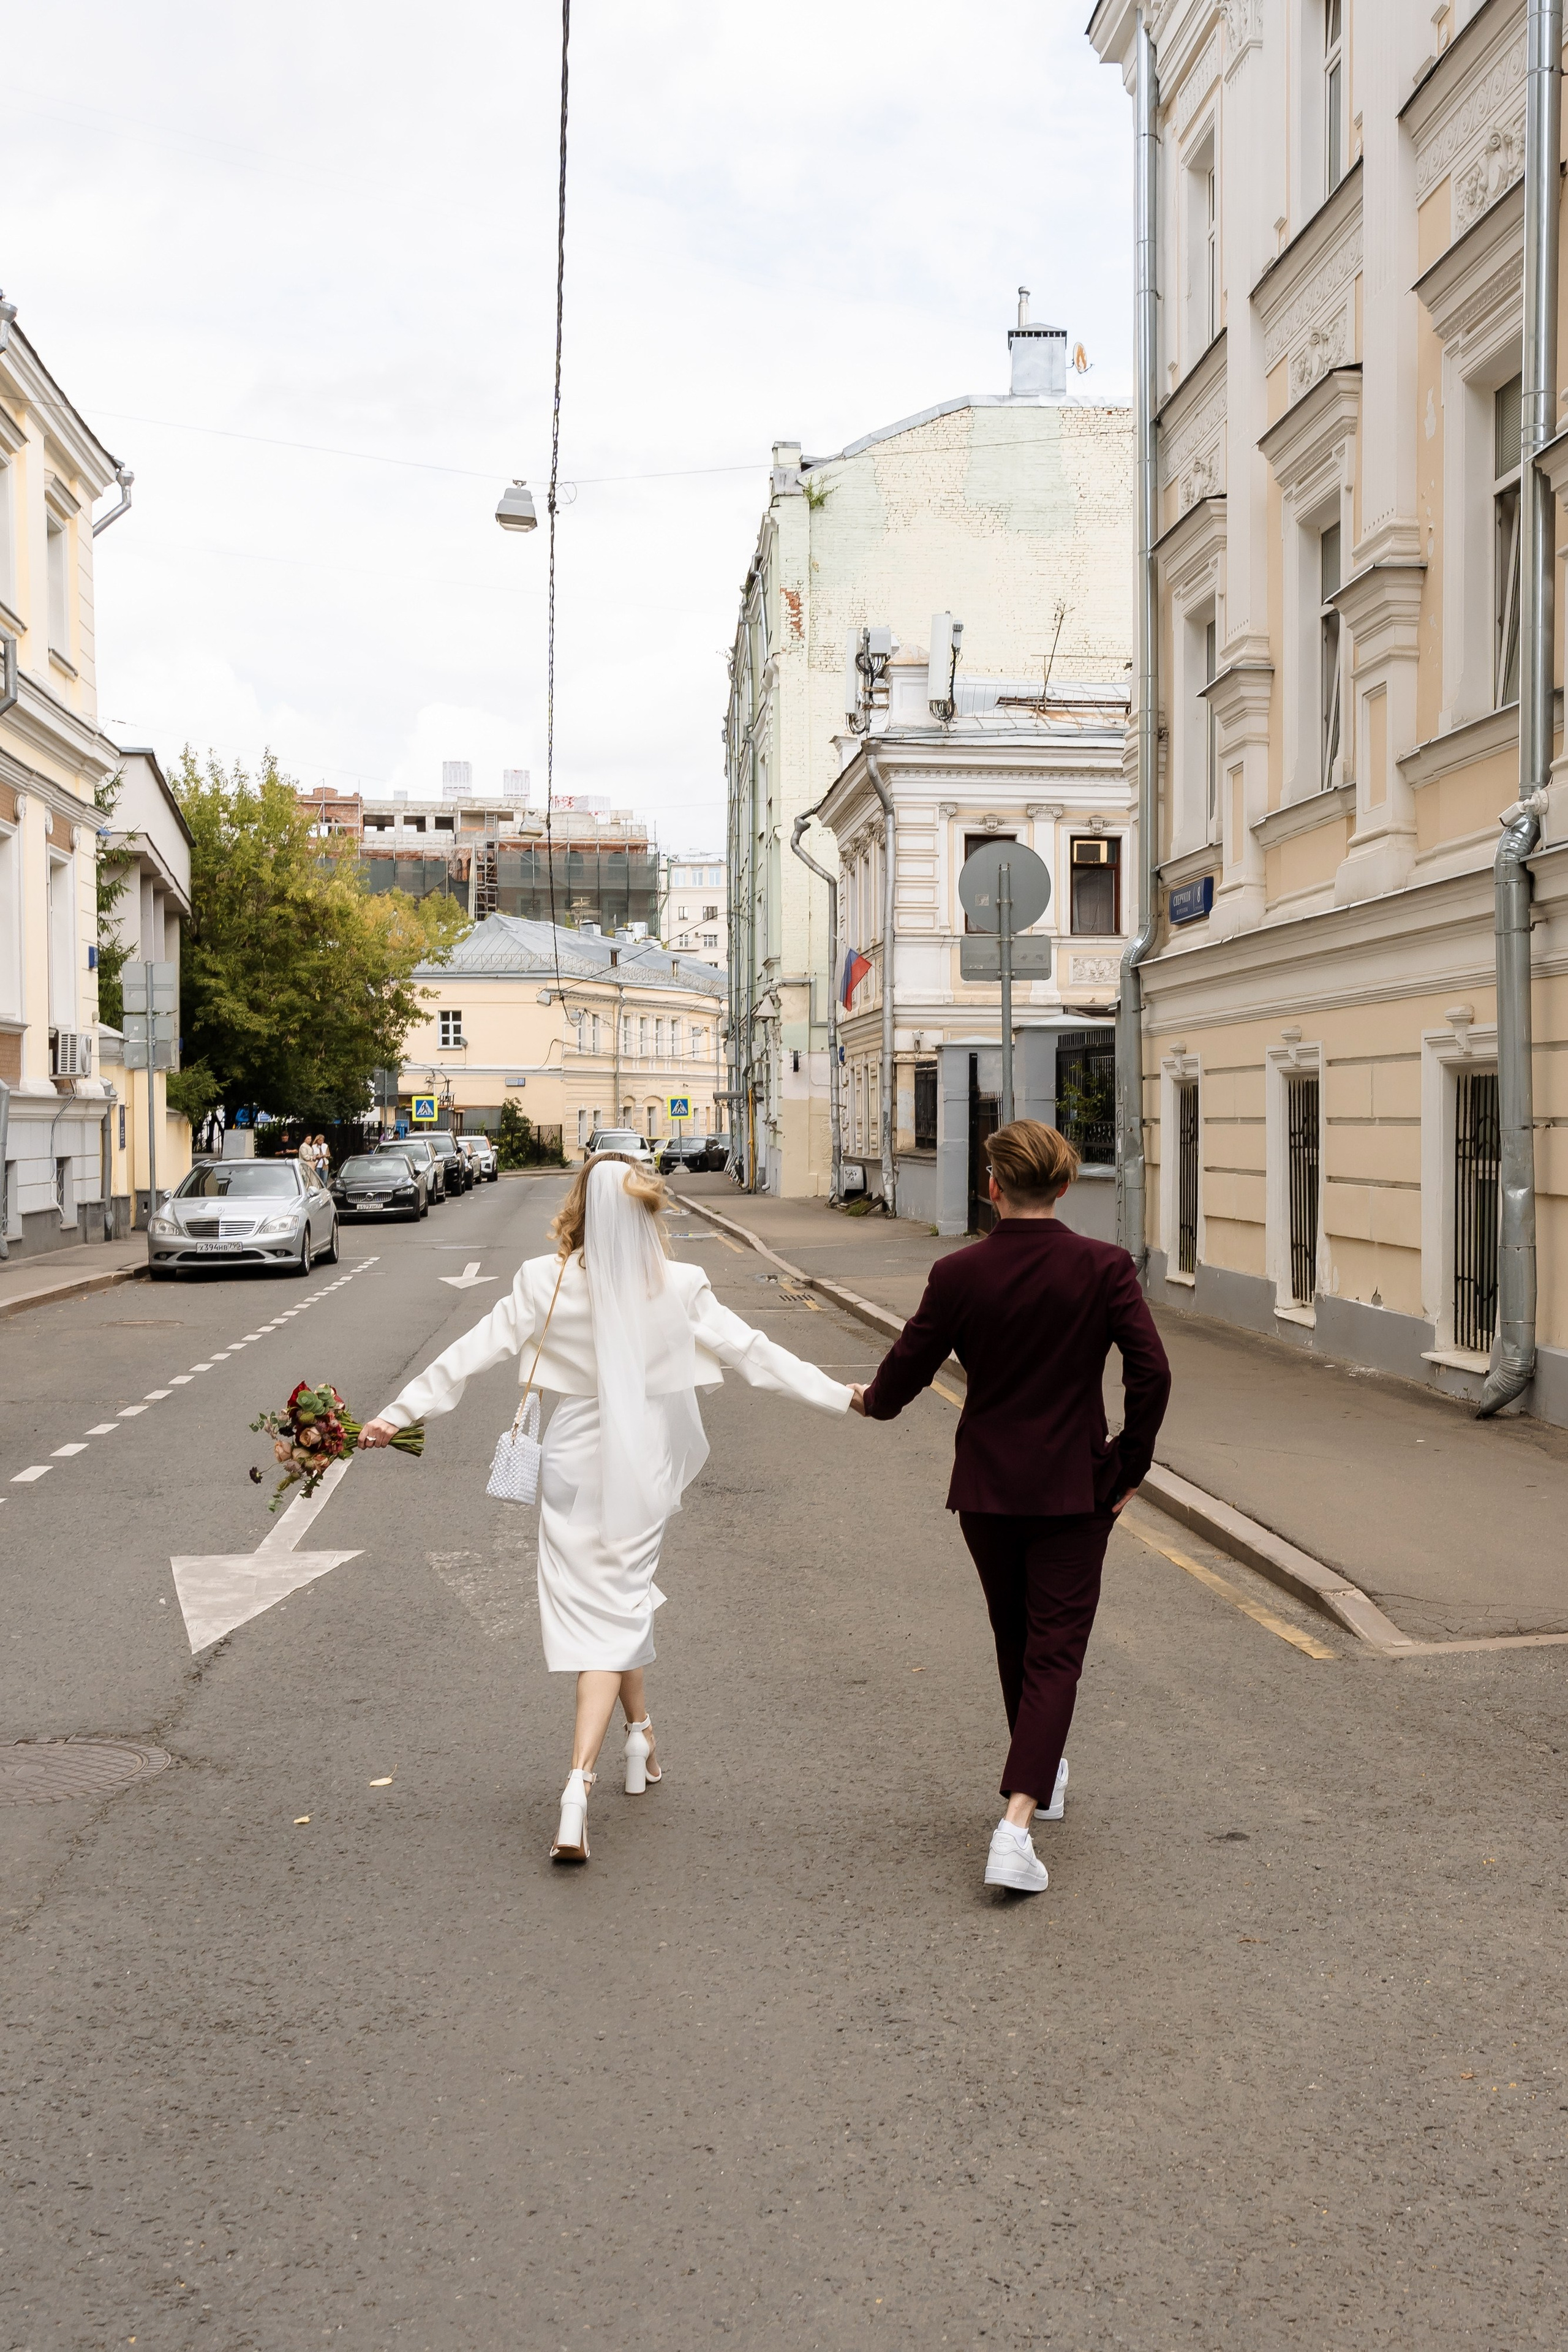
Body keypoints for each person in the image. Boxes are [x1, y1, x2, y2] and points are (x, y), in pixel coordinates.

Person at [358, 1155, 853, 1863]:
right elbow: (753, 1353)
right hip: (641, 1459)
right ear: (646, 1212)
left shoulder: (544, 1280)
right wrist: (841, 1395)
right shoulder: (680, 1285)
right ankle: (577, 1787)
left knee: (610, 1603)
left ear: (580, 1208)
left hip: (571, 1456)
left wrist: (395, 1415)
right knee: (615, 1609)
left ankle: (641, 1737)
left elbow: (469, 1353)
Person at [851, 1120, 1170, 1899]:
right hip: (1074, 1489)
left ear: (990, 1187)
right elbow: (1151, 1372)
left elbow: (906, 1371)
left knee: (1015, 1636)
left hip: (987, 1491)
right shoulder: (1103, 1266)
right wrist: (1127, 1466)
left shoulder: (958, 1272)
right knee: (1054, 1652)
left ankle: (1040, 1775)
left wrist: (870, 1401)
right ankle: (1016, 1825)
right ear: (1064, 1185)